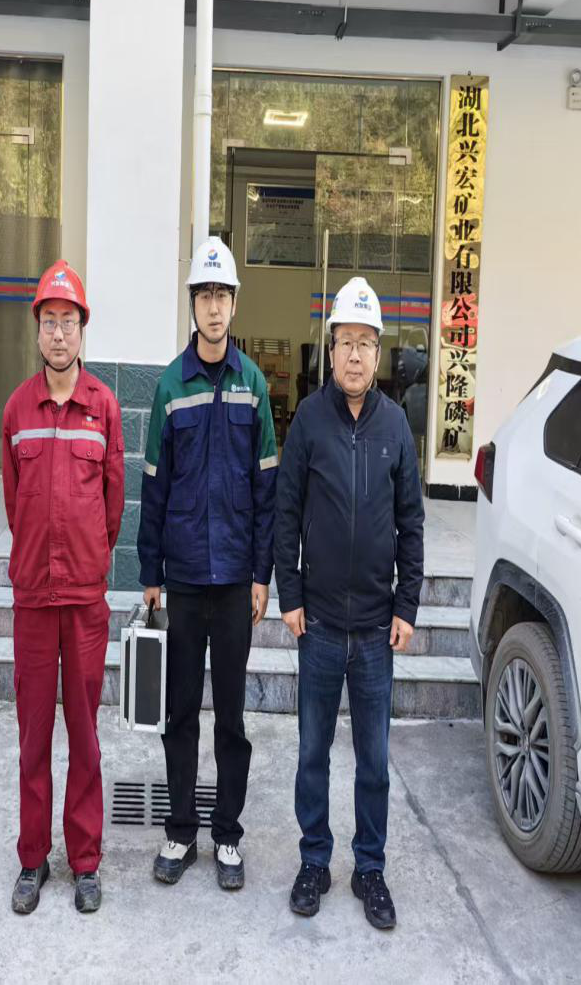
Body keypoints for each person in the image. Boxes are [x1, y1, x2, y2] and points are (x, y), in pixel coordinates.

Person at [275, 276, 424, 927]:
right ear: (330, 349)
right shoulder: (310, 420)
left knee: (374, 762)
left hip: (374, 628)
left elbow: (412, 522)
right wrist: (289, 593)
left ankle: (370, 868)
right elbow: (286, 511)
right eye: (346, 342)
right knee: (312, 754)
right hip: (319, 626)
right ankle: (314, 860)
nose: (356, 354)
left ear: (378, 352)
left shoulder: (397, 426)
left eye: (366, 342)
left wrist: (407, 605)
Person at [137, 238, 278, 892]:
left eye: (222, 295)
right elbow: (154, 488)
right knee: (180, 713)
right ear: (192, 305)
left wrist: (261, 575)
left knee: (231, 719)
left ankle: (227, 834)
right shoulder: (172, 385)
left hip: (235, 585)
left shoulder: (254, 387)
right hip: (187, 581)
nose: (214, 307)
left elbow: (266, 489)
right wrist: (151, 574)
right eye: (205, 296)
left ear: (234, 304)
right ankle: (180, 831)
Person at [1, 259, 124, 915]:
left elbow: (112, 505)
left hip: (83, 601)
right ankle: (32, 858)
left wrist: (86, 559)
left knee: (83, 734)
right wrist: (38, 556)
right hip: (32, 598)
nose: (57, 333)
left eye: (67, 321)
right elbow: (13, 501)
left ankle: (85, 861)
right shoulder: (17, 409)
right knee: (33, 738)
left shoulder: (103, 407)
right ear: (37, 330)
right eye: (48, 321)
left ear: (82, 330)